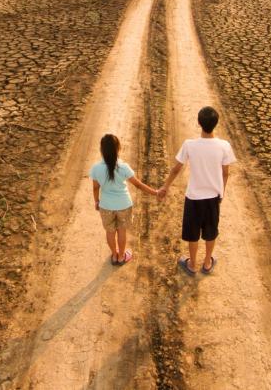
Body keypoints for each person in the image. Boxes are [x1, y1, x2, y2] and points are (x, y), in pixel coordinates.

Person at [158, 107, 236, 276]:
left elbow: (176, 169)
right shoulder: (224, 146)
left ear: (199, 123)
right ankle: (207, 262)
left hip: (193, 197)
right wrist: (221, 192)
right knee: (210, 231)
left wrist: (165, 186)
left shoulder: (189, 145)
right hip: (213, 197)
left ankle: (192, 264)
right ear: (216, 124)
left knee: (192, 232)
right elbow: (225, 173)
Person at [91, 134, 158, 265]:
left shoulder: (96, 168)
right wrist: (155, 192)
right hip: (124, 205)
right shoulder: (123, 167)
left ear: (101, 150)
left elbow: (95, 188)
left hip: (106, 206)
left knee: (110, 232)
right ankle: (122, 256)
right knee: (122, 231)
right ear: (118, 149)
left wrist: (97, 201)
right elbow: (138, 185)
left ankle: (114, 255)